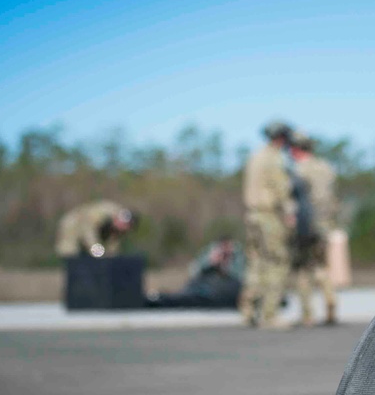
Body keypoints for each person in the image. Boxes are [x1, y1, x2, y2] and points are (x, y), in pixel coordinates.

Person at [239, 121, 296, 328]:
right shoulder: (275, 159)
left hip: (252, 215)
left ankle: (248, 311)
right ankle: (269, 314)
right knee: (277, 262)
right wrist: (289, 213)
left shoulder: (255, 156)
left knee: (255, 262)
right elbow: (281, 189)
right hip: (269, 216)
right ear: (281, 137)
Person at [288, 131, 339, 326]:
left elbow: (294, 200)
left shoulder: (299, 170)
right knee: (322, 266)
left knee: (303, 268)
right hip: (325, 224)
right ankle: (330, 301)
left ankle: (307, 314)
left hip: (306, 225)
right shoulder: (326, 168)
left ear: (296, 148)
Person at [144, 237, 245, 308]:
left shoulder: (238, 259)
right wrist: (211, 262)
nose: (223, 256)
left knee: (190, 299)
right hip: (202, 288)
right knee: (183, 296)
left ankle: (158, 299)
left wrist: (226, 266)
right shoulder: (208, 259)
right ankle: (157, 298)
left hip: (218, 293)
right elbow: (194, 271)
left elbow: (240, 278)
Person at [54, 200, 138, 258]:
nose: (125, 228)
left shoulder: (118, 227)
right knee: (69, 253)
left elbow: (113, 244)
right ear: (117, 219)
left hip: (88, 231)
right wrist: (98, 252)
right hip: (73, 225)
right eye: (124, 225)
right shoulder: (103, 212)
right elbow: (88, 232)